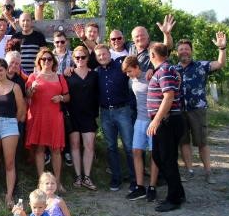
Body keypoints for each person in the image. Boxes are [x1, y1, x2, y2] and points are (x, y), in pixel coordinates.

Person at [175, 33, 227, 184]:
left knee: (202, 142)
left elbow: (219, 64)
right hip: (179, 110)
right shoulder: (173, 68)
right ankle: (189, 171)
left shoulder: (201, 66)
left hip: (197, 110)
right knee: (184, 142)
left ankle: (208, 172)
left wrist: (222, 48)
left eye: (186, 49)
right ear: (177, 52)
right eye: (181, 49)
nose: (184, 51)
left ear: (191, 51)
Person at [147, 43, 185, 212]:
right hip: (166, 121)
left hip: (167, 121)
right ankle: (178, 192)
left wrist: (156, 120)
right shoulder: (167, 70)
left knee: (166, 159)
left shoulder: (164, 70)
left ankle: (174, 199)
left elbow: (168, 97)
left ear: (153, 55)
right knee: (160, 156)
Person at [0, 58, 26, 208]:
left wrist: (14, 121)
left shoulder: (15, 87)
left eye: (0, 70)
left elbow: (21, 109)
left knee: (9, 162)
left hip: (10, 124)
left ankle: (9, 197)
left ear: (6, 70)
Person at [26, 49, 70, 191]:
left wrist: (61, 98)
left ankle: (57, 181)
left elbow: (68, 96)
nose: (46, 61)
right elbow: (27, 96)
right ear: (39, 61)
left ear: (53, 61)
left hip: (55, 116)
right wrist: (31, 90)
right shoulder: (33, 76)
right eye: (43, 59)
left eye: (49, 59)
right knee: (39, 149)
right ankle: (42, 182)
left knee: (56, 149)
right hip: (39, 116)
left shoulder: (59, 77)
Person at [94, 44, 135, 192]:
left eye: (104, 54)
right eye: (99, 55)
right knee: (111, 147)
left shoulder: (121, 67)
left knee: (129, 146)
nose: (102, 57)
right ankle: (116, 178)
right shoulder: (96, 72)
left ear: (109, 54)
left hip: (123, 110)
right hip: (105, 113)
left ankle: (135, 179)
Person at [122, 56, 159, 201]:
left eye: (130, 71)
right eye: (126, 72)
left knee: (154, 153)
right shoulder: (131, 81)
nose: (128, 74)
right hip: (140, 120)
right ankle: (140, 187)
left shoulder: (150, 76)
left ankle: (152, 187)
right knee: (136, 151)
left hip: (153, 120)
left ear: (137, 67)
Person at [65, 46, 99, 191]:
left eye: (83, 57)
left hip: (89, 115)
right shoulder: (68, 75)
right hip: (72, 114)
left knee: (89, 145)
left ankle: (87, 176)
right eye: (77, 58)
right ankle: (78, 176)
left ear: (87, 58)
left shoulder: (94, 75)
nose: (80, 60)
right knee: (74, 145)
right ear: (73, 59)